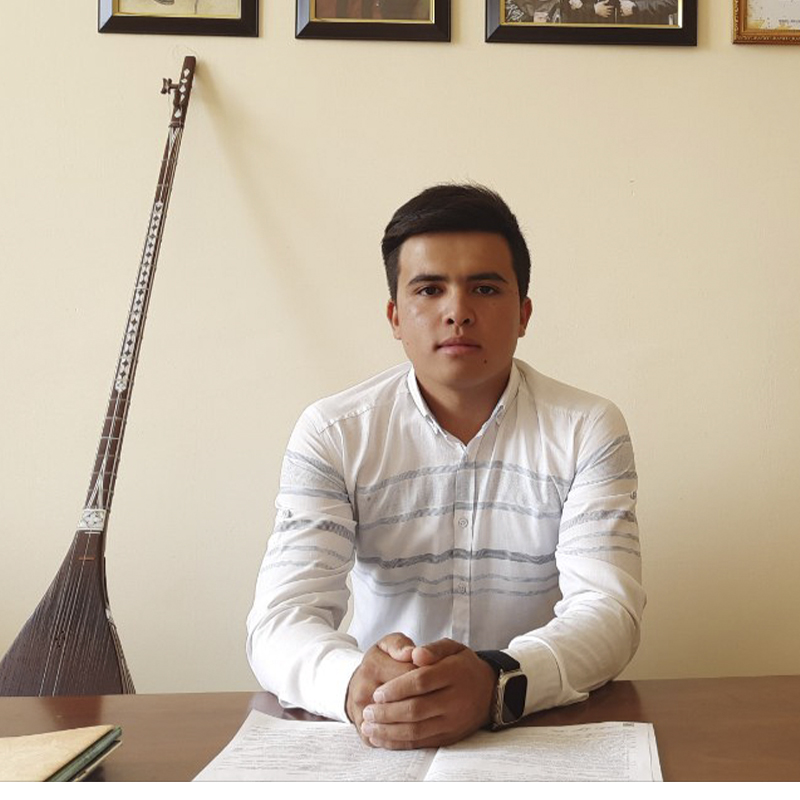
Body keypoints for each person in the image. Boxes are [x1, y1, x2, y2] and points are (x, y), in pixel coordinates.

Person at [246, 184, 645, 750]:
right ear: (395, 316)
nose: (458, 312)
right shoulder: (334, 433)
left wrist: (497, 681)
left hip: (535, 729)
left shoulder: (587, 429)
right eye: (429, 289)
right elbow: (280, 618)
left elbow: (609, 610)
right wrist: (354, 683)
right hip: (379, 727)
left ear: (524, 313)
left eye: (485, 288)